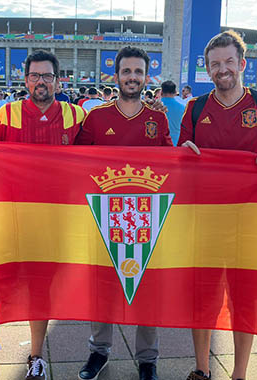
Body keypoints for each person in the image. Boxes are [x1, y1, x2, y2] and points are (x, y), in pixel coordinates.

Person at [0, 49, 87, 380]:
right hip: (12, 220)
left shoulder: (77, 116)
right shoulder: (7, 113)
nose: (41, 82)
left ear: (58, 81)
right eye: (35, 76)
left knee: (40, 289)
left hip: (54, 222)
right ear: (26, 79)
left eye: (47, 76)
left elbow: (100, 158)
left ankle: (35, 358)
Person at [177, 30, 257, 380]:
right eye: (215, 64)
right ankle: (201, 369)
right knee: (203, 297)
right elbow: (181, 157)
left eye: (229, 61)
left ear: (242, 64)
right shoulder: (196, 109)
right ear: (207, 69)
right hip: (205, 218)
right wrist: (183, 155)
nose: (222, 69)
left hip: (251, 217)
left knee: (246, 296)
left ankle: (239, 374)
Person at [74, 46, 170, 380]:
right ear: (116, 76)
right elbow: (75, 164)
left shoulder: (157, 118)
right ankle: (98, 352)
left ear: (146, 77)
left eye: (138, 72)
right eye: (126, 71)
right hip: (104, 217)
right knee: (103, 288)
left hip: (146, 217)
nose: (132, 77)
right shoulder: (97, 117)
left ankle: (147, 359)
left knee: (147, 288)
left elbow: (172, 165)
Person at [159, 80, 186, 145]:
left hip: (159, 144)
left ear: (161, 92)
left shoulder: (154, 107)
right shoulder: (183, 108)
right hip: (176, 143)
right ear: (175, 93)